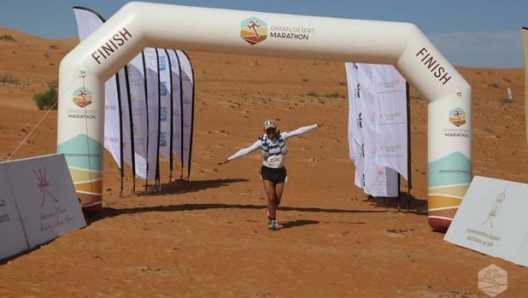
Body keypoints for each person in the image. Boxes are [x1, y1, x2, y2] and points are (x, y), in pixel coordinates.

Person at [217, 119, 325, 231]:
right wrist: (228, 159)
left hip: (280, 172)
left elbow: (298, 131)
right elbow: (245, 151)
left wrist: (315, 125)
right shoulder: (261, 142)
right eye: (268, 130)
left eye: (272, 129)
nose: (271, 132)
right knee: (271, 197)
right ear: (265, 131)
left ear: (275, 129)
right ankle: (273, 221)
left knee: (277, 201)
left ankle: (270, 212)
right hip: (267, 172)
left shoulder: (282, 137)